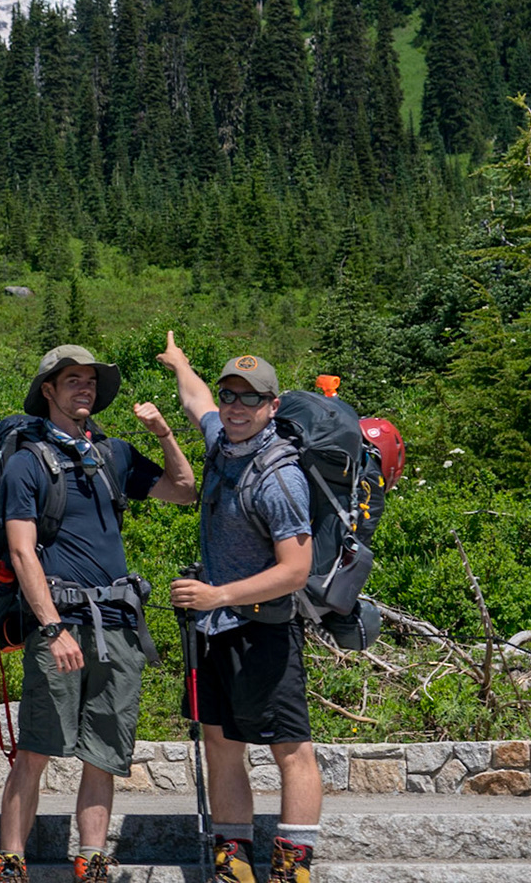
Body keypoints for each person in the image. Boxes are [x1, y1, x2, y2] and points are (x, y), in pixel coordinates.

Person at [0, 346, 197, 883]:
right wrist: (52, 627)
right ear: (48, 390)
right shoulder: (26, 462)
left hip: (119, 625)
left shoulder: (114, 454)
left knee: (104, 753)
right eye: (72, 380)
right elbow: (21, 552)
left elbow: (184, 490)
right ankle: (10, 861)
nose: (85, 388)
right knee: (36, 749)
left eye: (91, 381)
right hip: (59, 623)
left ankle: (92, 859)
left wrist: (164, 434)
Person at [158, 333, 321, 883]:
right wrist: (180, 363)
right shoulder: (221, 442)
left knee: (290, 748)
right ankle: (235, 857)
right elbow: (196, 401)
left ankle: (292, 864)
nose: (235, 407)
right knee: (221, 742)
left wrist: (218, 595)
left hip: (264, 629)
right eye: (231, 394)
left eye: (250, 398)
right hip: (215, 629)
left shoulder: (279, 476)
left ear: (272, 406)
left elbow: (295, 570)